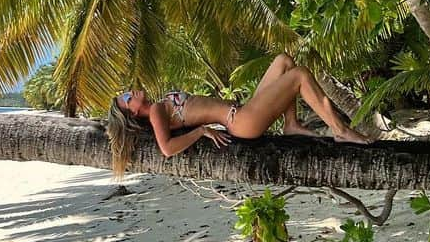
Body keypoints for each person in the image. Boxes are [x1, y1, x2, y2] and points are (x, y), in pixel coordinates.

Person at [106, 53, 374, 176]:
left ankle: (291, 123)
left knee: (284, 61)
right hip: (241, 122)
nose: (132, 92)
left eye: (127, 92)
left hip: (241, 113)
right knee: (300, 75)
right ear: (133, 111)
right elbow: (166, 149)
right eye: (127, 98)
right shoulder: (154, 112)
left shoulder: (157, 105)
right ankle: (340, 130)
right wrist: (200, 131)